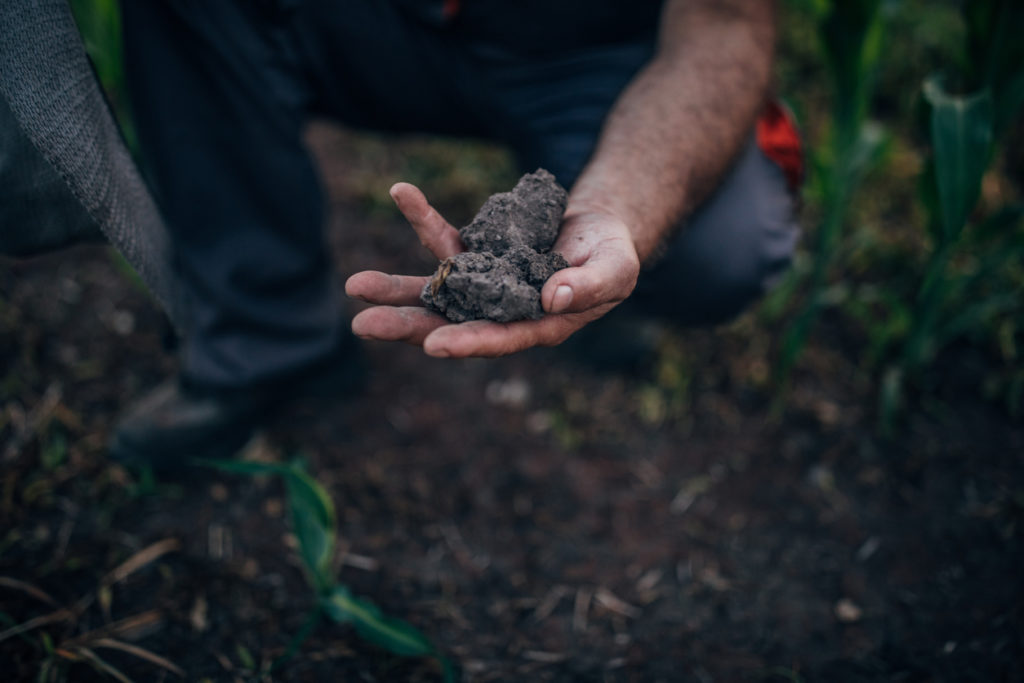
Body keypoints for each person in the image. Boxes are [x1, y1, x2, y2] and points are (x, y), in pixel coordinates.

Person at [110, 0, 801, 467]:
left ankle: (597, 281)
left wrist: (621, 209)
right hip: (377, 19)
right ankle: (267, 339)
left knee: (720, 248)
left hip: (595, 46)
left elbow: (725, 20)